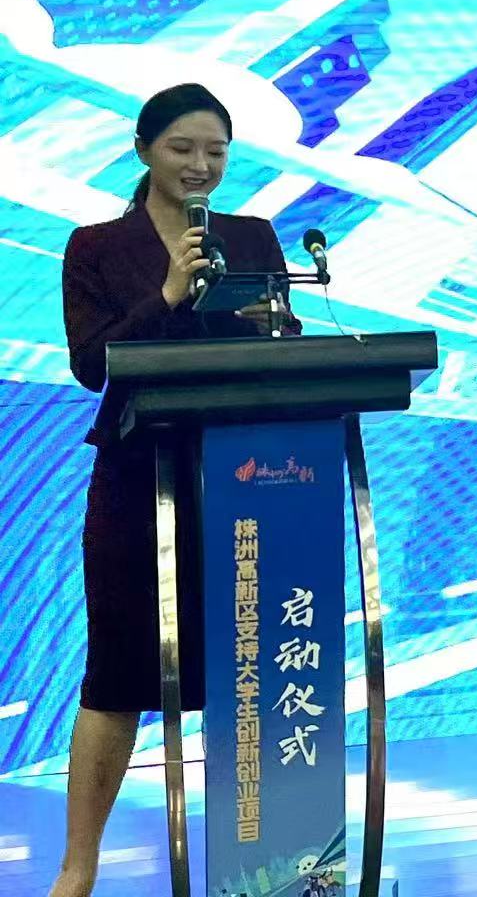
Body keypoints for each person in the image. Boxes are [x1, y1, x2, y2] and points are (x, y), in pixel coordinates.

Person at [50, 84, 298, 897]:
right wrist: (165, 296)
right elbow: (92, 365)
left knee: (246, 674)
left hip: (245, 478)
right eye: (182, 148)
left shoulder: (252, 237)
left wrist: (271, 329)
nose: (200, 165)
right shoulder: (96, 247)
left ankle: (259, 863)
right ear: (143, 150)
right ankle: (78, 869)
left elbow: (282, 339)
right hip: (135, 479)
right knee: (118, 674)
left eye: (215, 151)